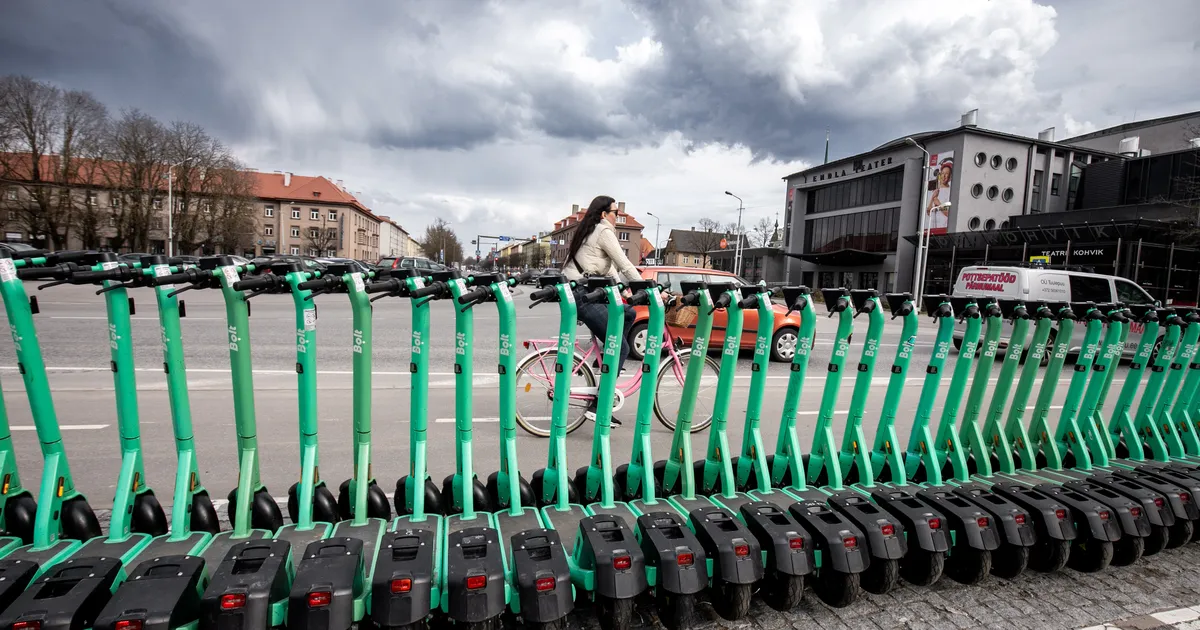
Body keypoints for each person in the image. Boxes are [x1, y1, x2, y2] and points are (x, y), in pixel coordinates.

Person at [562, 195, 642, 425]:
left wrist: (625, 292)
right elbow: (625, 264)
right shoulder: (603, 231)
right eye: (615, 212)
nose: (618, 216)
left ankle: (607, 358)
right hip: (584, 296)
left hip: (580, 292)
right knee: (623, 347)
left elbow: (608, 270)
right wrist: (647, 286)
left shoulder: (591, 231)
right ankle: (600, 405)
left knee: (630, 313)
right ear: (604, 214)